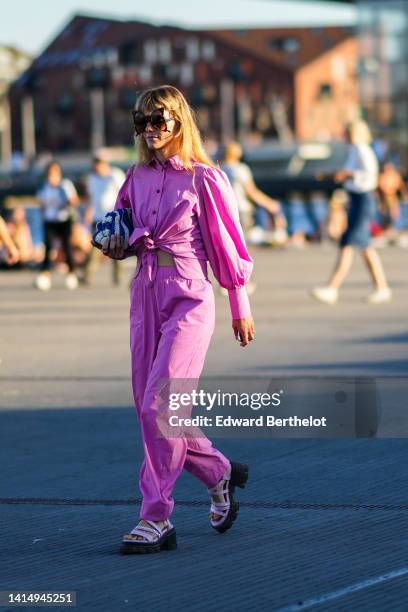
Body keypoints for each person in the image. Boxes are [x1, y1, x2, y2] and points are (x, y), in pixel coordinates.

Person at [98, 85, 255, 554]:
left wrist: (239, 305)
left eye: (158, 122)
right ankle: (217, 471)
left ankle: (156, 517)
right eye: (141, 123)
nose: (149, 131)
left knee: (159, 407)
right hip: (144, 296)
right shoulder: (135, 176)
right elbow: (121, 229)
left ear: (179, 123)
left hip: (189, 298)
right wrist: (113, 242)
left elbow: (228, 244)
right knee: (155, 410)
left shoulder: (205, 178)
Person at [311, 120, 392, 305]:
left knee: (348, 243)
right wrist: (339, 174)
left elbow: (369, 174)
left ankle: (332, 288)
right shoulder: (355, 150)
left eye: (347, 133)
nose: (344, 136)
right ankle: (381, 287)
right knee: (365, 247)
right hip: (356, 199)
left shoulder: (362, 150)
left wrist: (347, 174)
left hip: (363, 199)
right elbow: (352, 172)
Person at [34, 161, 80, 290]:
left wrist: (67, 201)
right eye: (50, 173)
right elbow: (41, 203)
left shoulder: (65, 185)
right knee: (48, 247)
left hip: (64, 220)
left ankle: (71, 273)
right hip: (49, 221)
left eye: (54, 173)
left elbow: (75, 201)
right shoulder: (44, 187)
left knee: (66, 246)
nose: (52, 176)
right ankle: (44, 274)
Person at [83, 153, 126, 284]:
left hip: (113, 218)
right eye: (96, 163)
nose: (98, 166)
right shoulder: (91, 179)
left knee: (117, 246)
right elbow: (92, 198)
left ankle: (118, 276)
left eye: (100, 163)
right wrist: (88, 213)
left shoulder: (115, 175)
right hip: (98, 218)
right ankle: (87, 275)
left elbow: (124, 194)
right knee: (95, 248)